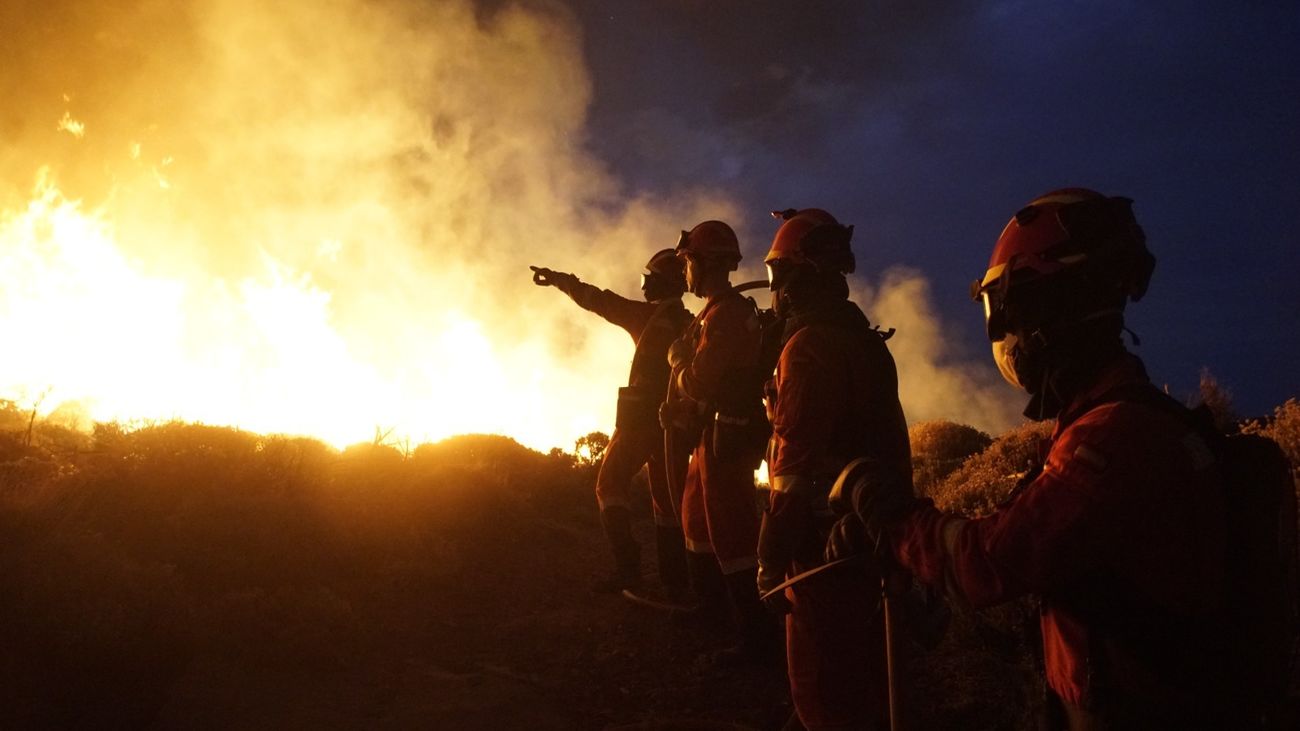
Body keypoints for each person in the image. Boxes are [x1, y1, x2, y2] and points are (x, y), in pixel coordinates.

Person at [829, 188, 1237, 729]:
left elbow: (987, 562)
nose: (1006, 335)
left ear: (1055, 309)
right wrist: (899, 540)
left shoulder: (1111, 441)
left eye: (1010, 312)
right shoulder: (1122, 420)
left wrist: (889, 513)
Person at [757, 208, 910, 730]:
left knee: (821, 684)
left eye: (777, 273)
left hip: (821, 547)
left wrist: (770, 555)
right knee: (864, 673)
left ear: (798, 275)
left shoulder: (808, 347)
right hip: (869, 534)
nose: (774, 289)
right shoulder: (863, 339)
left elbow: (792, 469)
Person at [531, 250, 693, 598]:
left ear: (662, 283)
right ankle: (676, 580)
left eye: (649, 278)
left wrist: (558, 279)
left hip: (640, 420)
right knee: (668, 501)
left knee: (610, 485)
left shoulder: (645, 317)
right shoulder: (693, 324)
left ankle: (628, 570)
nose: (644, 285)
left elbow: (596, 299)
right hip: (676, 426)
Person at [660, 219, 777, 661]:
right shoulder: (715, 311)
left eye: (688, 262)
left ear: (706, 263)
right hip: (709, 436)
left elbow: (701, 381)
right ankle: (711, 610)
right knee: (696, 520)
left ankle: (755, 637)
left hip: (727, 438)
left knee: (731, 532)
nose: (684, 271)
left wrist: (677, 362)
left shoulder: (726, 316)